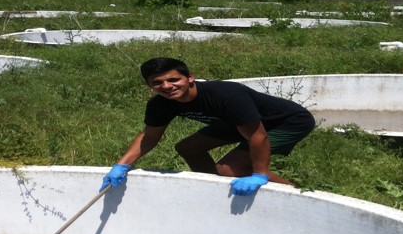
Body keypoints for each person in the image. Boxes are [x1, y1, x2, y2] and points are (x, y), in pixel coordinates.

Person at [100, 57, 315, 196]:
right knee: (188, 148)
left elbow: (258, 137)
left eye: (173, 79)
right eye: (157, 83)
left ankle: (294, 194)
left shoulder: (226, 96)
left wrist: (259, 174)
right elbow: (149, 136)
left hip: (286, 121)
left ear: (190, 78)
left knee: (229, 168)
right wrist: (121, 165)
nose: (166, 87)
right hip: (235, 123)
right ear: (149, 86)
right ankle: (216, 188)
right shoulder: (161, 104)